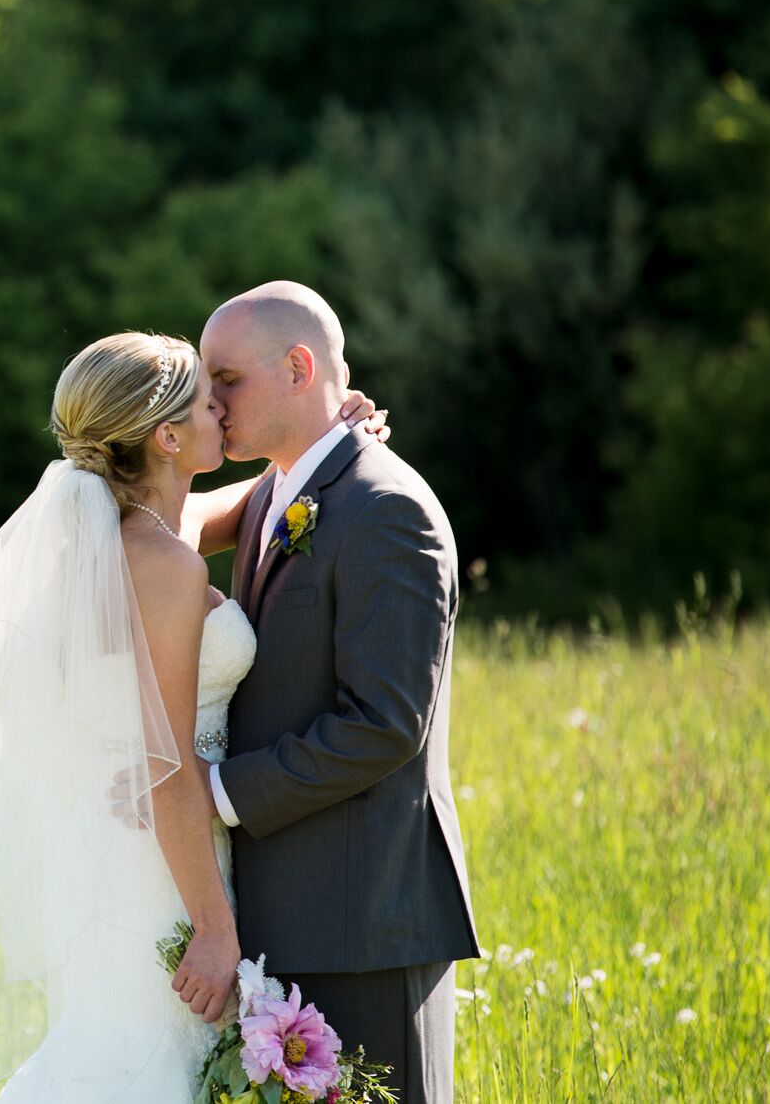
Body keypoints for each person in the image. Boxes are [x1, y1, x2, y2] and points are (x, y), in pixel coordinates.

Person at [0, 324, 389, 1101]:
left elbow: (236, 507)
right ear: (168, 436)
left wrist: (330, 443)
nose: (225, 415)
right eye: (208, 403)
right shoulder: (164, 565)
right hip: (165, 860)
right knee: (149, 1059)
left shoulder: (129, 538)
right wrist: (214, 930)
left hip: (123, 850)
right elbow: (166, 764)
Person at [199, 280, 481, 1103]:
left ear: (298, 366)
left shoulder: (386, 509)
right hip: (288, 915)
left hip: (364, 918)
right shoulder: (278, 493)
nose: (208, 404)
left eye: (226, 381)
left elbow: (382, 725)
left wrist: (217, 796)